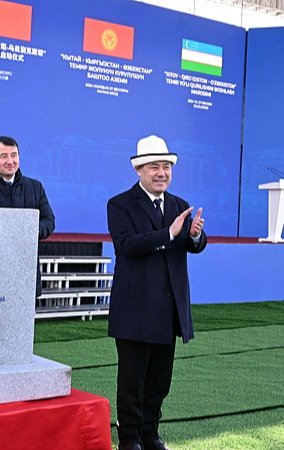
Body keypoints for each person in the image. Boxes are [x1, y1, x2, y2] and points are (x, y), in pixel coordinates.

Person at [107, 135, 207, 450]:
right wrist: (169, 233)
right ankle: (131, 439)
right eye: (154, 167)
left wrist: (194, 235)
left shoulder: (179, 204)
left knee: (159, 383)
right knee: (132, 382)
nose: (161, 172)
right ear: (139, 170)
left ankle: (150, 435)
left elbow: (195, 245)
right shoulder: (120, 204)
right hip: (134, 310)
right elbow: (126, 245)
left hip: (168, 312)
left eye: (166, 166)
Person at [0, 136, 55, 296]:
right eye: (3, 156)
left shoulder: (35, 187)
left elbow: (49, 220)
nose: (10, 161)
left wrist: (33, 231)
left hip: (25, 269)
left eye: (14, 155)